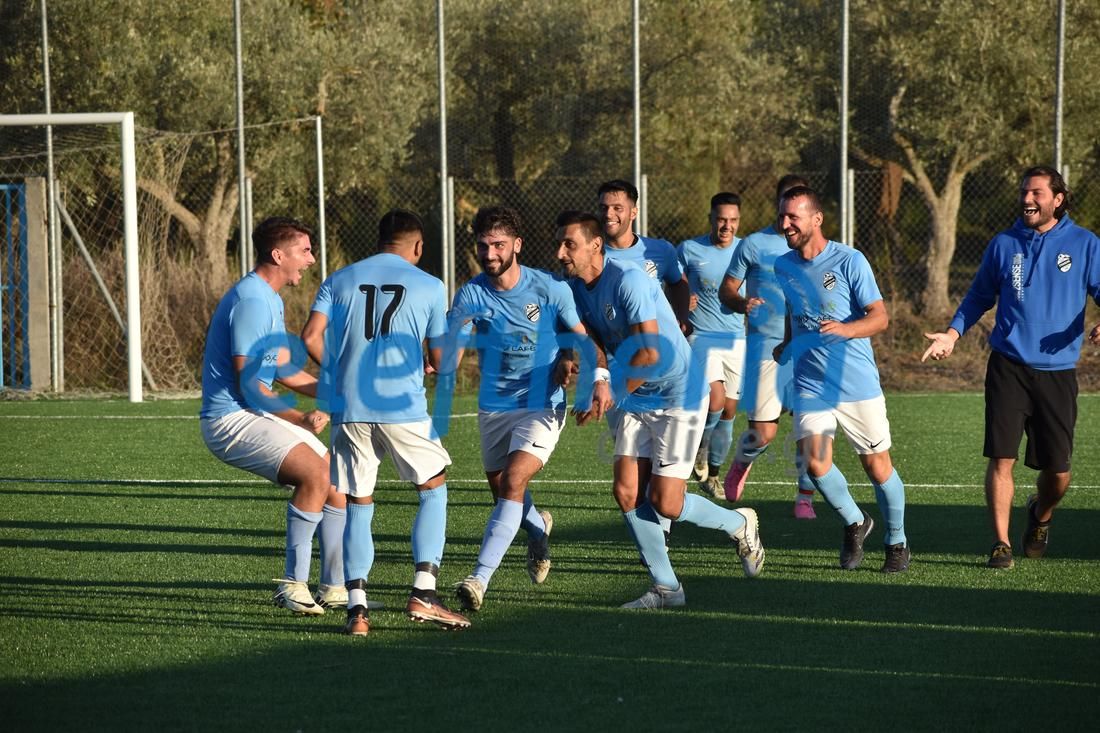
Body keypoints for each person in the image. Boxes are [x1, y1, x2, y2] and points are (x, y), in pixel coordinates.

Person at [556, 210, 764, 609]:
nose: (561, 253)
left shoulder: (628, 280)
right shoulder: (576, 286)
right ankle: (667, 588)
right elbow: (593, 336)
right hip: (634, 394)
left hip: (677, 393)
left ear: (595, 245)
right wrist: (598, 376)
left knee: (667, 501)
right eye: (560, 244)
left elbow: (650, 355)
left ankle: (739, 523)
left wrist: (611, 392)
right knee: (626, 492)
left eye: (569, 244)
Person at [301, 208, 470, 636]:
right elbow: (441, 361)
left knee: (359, 502)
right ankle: (424, 592)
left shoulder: (339, 279)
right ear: (418, 246)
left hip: (350, 406)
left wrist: (339, 373)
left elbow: (310, 337)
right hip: (402, 407)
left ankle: (357, 610)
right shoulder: (430, 285)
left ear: (378, 242)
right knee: (433, 487)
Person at [923, 166, 1100, 569]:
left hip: (1057, 372)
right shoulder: (1004, 243)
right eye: (1023, 192)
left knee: (1059, 472)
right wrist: (952, 334)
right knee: (1002, 458)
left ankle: (1041, 513)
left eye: (1036, 193)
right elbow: (978, 296)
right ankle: (1001, 543)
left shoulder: (1086, 244)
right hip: (1008, 366)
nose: (1027, 199)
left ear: (1058, 199)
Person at [447, 206, 609, 612]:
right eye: (483, 246)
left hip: (542, 403)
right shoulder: (471, 294)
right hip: (494, 407)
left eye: (499, 245)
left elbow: (580, 338)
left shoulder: (549, 288)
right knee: (503, 490)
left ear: (517, 245)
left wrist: (592, 375)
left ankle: (478, 579)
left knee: (514, 480)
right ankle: (538, 531)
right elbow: (450, 352)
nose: (490, 254)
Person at [199, 216, 348, 616]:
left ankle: (334, 588)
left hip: (249, 413)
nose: (311, 260)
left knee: (337, 480)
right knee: (317, 473)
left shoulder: (269, 297)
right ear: (278, 255)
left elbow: (280, 367)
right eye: (305, 251)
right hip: (229, 420)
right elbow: (250, 385)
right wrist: (299, 418)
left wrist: (334, 390)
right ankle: (292, 585)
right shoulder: (251, 301)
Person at [772, 186, 910, 572]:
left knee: (877, 467)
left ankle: (897, 541)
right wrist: (787, 343)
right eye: (782, 216)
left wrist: (847, 330)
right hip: (810, 382)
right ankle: (855, 521)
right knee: (814, 463)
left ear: (816, 219)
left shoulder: (850, 260)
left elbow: (879, 317)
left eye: (793, 217)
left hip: (855, 383)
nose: (785, 224)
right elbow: (795, 310)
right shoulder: (783, 266)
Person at [719, 175, 818, 519]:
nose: (788, 217)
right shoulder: (754, 245)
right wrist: (742, 303)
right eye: (784, 206)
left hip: (808, 346)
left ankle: (805, 496)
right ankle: (741, 461)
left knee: (810, 427)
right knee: (763, 433)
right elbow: (727, 290)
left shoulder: (818, 248)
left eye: (796, 209)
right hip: (766, 346)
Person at [676, 192, 746, 499]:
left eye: (733, 220)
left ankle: (713, 474)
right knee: (715, 400)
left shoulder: (746, 250)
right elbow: (672, 281)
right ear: (711, 219)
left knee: (729, 412)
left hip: (736, 339)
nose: (726, 226)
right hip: (701, 336)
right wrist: (681, 300)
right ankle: (700, 449)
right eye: (721, 220)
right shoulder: (689, 249)